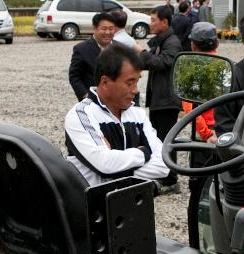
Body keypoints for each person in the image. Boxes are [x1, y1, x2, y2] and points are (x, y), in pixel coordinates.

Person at [64, 45, 168, 188]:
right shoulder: (81, 115)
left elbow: (164, 166)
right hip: (92, 208)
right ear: (105, 82)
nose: (136, 90)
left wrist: (114, 169)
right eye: (129, 83)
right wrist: (144, 152)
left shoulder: (138, 114)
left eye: (137, 82)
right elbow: (104, 164)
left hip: (132, 206)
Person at [137, 4, 183, 192]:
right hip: (159, 100)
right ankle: (164, 175)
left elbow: (163, 62)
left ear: (165, 22)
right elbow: (152, 64)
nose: (151, 23)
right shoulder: (161, 41)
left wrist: (142, 53)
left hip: (167, 101)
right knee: (158, 138)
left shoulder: (172, 41)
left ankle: (171, 180)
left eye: (154, 20)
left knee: (165, 139)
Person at [182, 21, 221, 243]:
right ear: (216, 42)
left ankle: (197, 243)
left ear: (194, 46)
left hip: (202, 140)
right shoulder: (227, 66)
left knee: (198, 195)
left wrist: (206, 135)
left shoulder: (192, 69)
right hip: (225, 137)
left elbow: (190, 110)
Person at [69, 10, 124, 100]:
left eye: (111, 29)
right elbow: (74, 76)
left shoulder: (120, 48)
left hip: (116, 99)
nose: (107, 32)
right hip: (93, 99)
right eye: (104, 29)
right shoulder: (81, 49)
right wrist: (85, 96)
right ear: (94, 28)